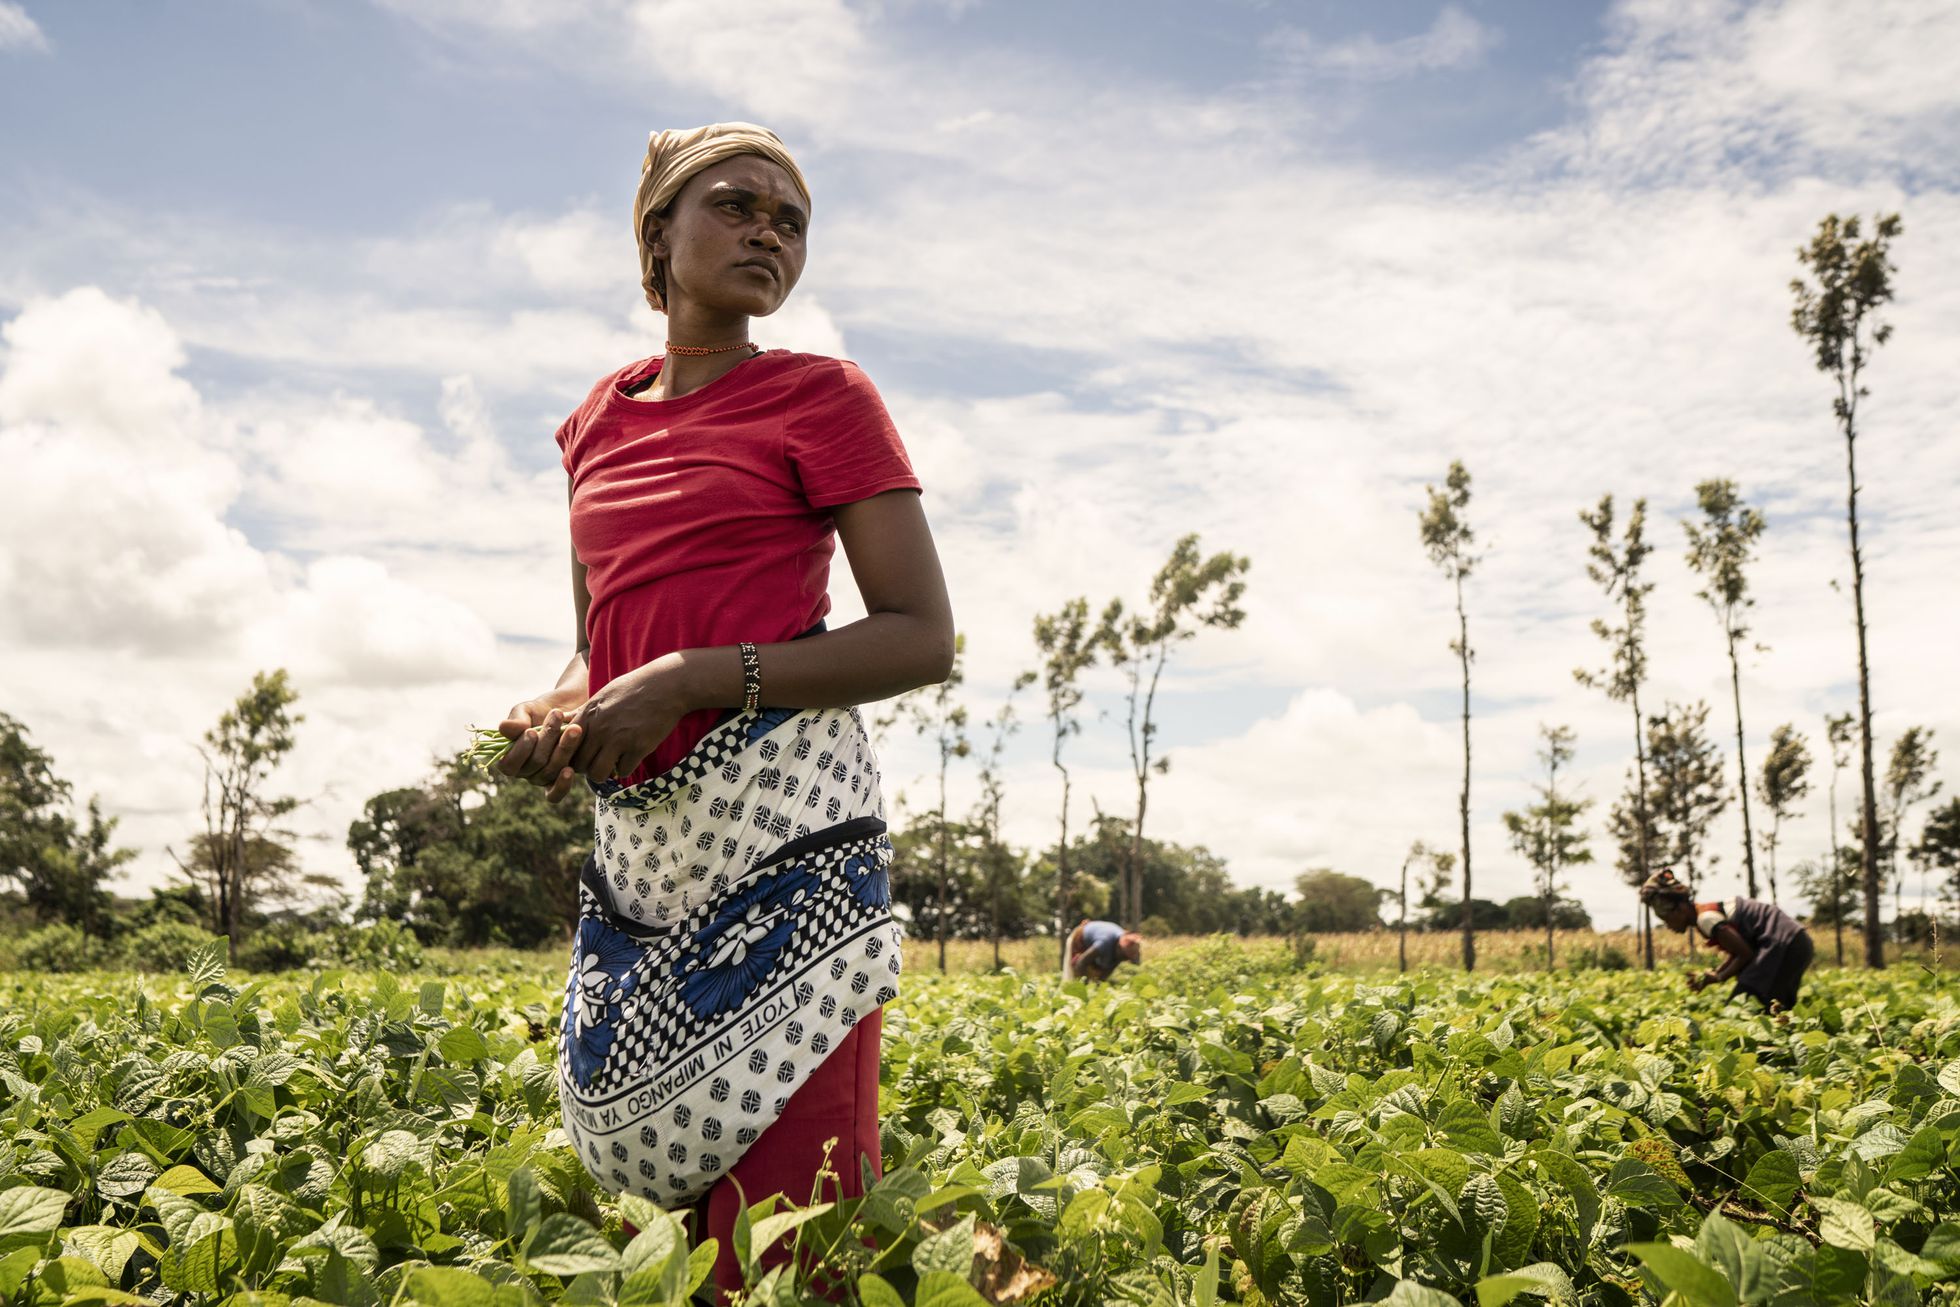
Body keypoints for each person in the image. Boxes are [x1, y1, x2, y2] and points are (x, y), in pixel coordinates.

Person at [490, 121, 955, 1297]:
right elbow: (601, 645)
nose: (768, 232)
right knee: (688, 1237)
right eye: (738, 206)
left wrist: (698, 676)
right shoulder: (595, 420)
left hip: (784, 847)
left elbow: (919, 632)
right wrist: (557, 712)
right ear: (657, 234)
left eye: (790, 221)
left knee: (789, 1250)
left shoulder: (823, 397)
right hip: (651, 860)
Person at [1639, 869, 1814, 1011]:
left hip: (1783, 945)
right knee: (1774, 1008)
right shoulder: (1708, 915)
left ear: (1681, 909)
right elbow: (1740, 950)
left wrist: (1719, 977)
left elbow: (1745, 954)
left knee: (1741, 1007)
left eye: (1667, 918)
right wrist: (1714, 973)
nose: (1669, 926)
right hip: (1796, 943)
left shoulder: (1705, 919)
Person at [1064, 918, 1142, 983]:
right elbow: (1081, 962)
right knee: (1073, 976)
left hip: (1094, 943)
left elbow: (1107, 971)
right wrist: (1085, 986)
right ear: (1120, 949)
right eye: (1125, 956)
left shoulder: (1120, 953)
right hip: (1079, 939)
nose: (1125, 959)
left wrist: (1099, 984)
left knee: (1096, 975)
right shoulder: (1104, 942)